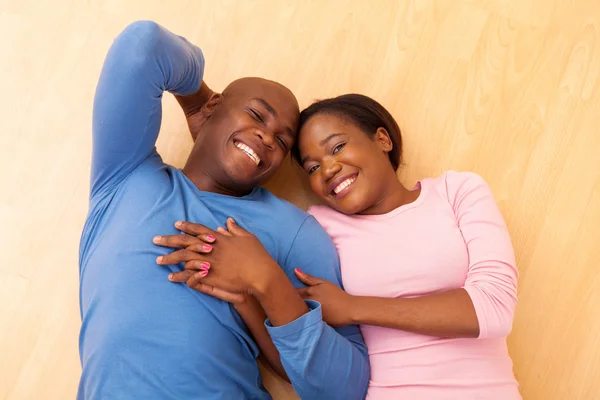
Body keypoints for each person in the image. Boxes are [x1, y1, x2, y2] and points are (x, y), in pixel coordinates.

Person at [79, 20, 369, 400]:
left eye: (282, 141)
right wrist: (196, 98)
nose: (267, 136)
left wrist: (264, 279)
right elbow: (142, 45)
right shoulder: (125, 175)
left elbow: (345, 388)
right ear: (216, 107)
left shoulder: (291, 229)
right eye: (256, 115)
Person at [169, 94, 521, 399]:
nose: (329, 169)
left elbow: (492, 307)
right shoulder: (318, 228)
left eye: (337, 147)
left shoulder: (457, 192)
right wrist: (247, 296)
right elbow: (299, 353)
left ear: (382, 139)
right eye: (312, 167)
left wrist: (352, 307)